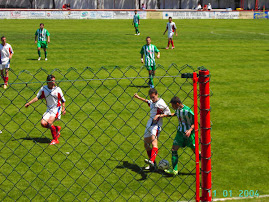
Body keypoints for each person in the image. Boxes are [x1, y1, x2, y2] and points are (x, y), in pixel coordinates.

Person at [154, 96, 198, 175]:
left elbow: (196, 122)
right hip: (180, 133)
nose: (172, 107)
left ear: (177, 103)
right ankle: (175, 170)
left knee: (196, 152)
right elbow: (174, 114)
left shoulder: (187, 111)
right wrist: (161, 115)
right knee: (174, 149)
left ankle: (205, 166)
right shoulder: (178, 109)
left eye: (173, 105)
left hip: (189, 134)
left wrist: (190, 130)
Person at [134, 88, 171, 170]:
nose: (152, 99)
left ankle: (151, 160)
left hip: (156, 125)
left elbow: (169, 113)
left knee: (154, 143)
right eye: (151, 97)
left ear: (157, 95)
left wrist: (159, 116)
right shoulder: (152, 101)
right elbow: (148, 102)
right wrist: (138, 97)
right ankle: (153, 165)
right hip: (149, 125)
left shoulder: (161, 103)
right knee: (146, 145)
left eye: (153, 97)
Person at [25, 75, 66, 145]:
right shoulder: (44, 89)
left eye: (54, 80)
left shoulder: (58, 89)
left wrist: (63, 108)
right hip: (49, 109)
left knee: (49, 123)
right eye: (52, 81)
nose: (53, 82)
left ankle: (55, 139)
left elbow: (63, 100)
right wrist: (29, 103)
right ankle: (56, 128)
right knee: (43, 123)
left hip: (56, 108)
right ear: (48, 82)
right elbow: (37, 97)